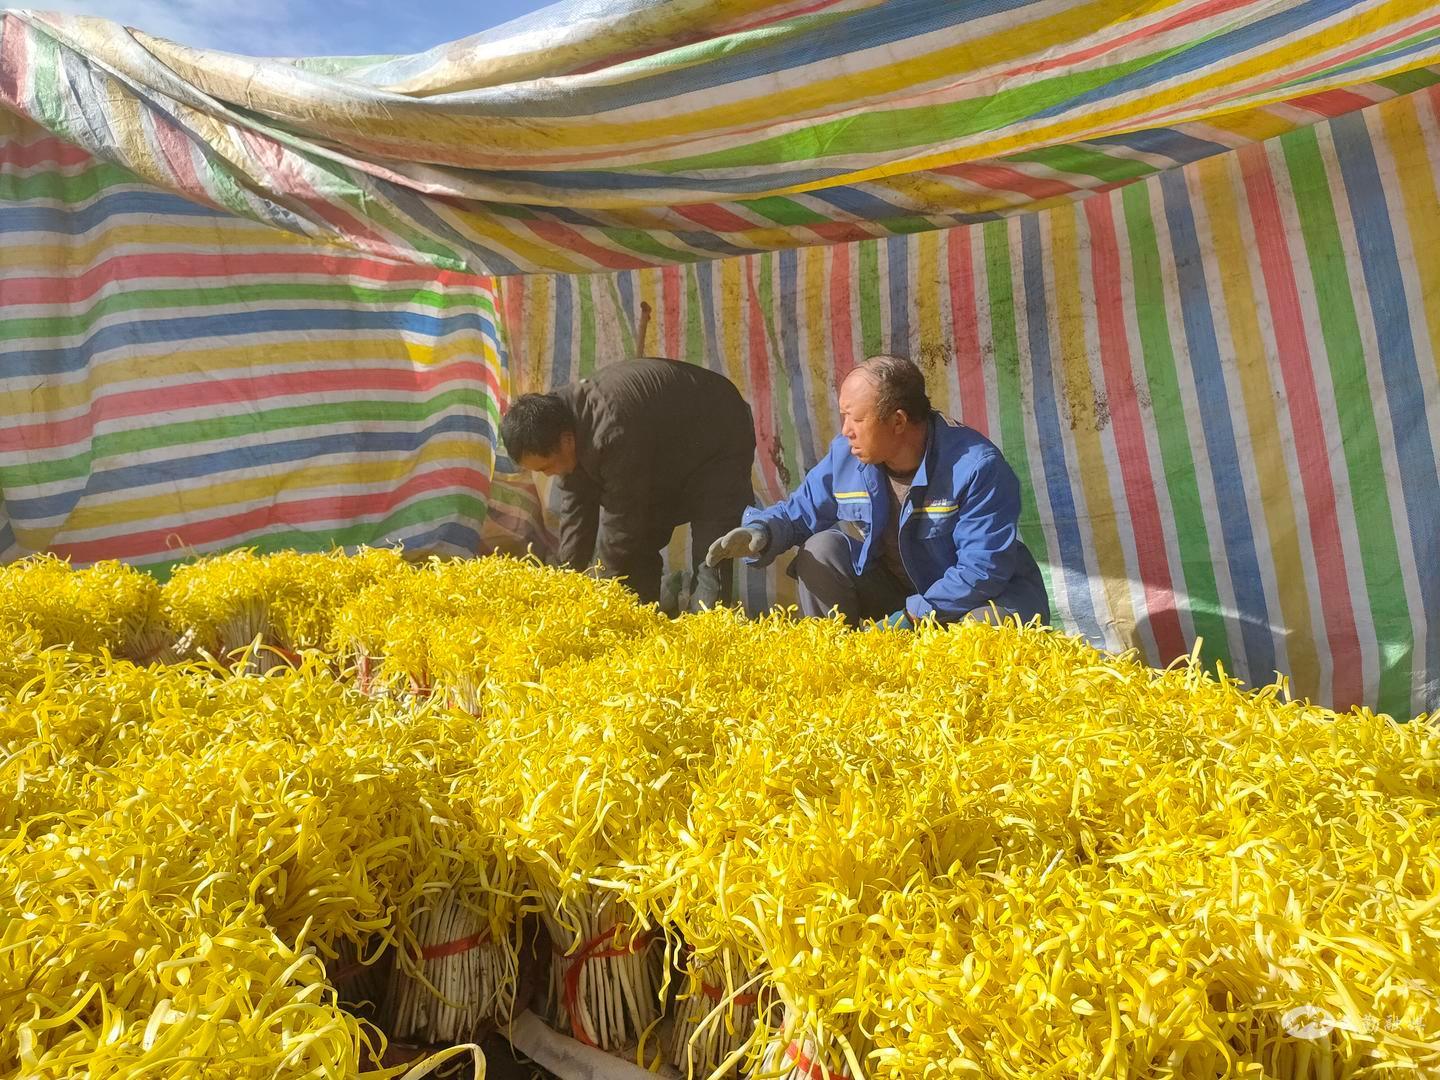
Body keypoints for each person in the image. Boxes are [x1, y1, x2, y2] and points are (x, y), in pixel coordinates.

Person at [705, 354, 1049, 627]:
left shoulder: (976, 466)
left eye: (855, 418)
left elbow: (982, 570)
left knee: (983, 629)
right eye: (843, 417)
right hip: (899, 598)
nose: (845, 430)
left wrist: (914, 616)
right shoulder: (846, 456)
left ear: (898, 421)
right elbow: (801, 511)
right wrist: (761, 531)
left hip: (971, 603)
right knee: (821, 549)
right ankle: (835, 671)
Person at [501, 357, 756, 608]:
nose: (547, 475)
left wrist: (603, 585)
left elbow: (622, 518)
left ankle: (707, 632)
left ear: (566, 441)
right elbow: (577, 510)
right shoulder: (560, 419)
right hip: (666, 452)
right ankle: (640, 619)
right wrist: (568, 580)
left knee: (710, 555)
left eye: (546, 467)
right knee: (638, 545)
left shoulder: (610, 430)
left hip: (719, 437)